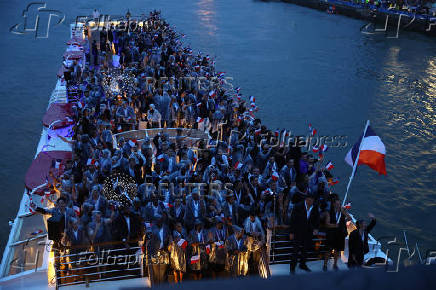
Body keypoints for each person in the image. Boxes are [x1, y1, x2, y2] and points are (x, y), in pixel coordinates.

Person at [288, 193, 320, 273]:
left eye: (312, 200)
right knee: (295, 250)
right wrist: (291, 232)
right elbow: (293, 220)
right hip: (298, 231)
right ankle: (292, 268)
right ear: (306, 199)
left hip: (308, 232)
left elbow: (317, 218)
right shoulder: (298, 206)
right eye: (309, 200)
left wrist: (316, 228)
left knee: (305, 250)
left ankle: (302, 264)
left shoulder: (315, 207)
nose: (310, 202)